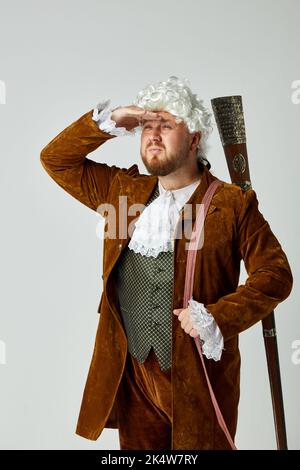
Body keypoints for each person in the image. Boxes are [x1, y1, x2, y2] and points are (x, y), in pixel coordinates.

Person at [40, 76, 293, 450]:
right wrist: (110, 122)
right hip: (133, 377)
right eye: (147, 125)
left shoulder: (233, 204)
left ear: (194, 139)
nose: (153, 135)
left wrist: (218, 317)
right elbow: (55, 160)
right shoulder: (122, 192)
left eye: (167, 125)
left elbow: (275, 276)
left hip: (200, 378)